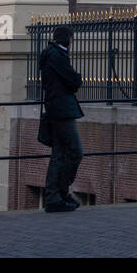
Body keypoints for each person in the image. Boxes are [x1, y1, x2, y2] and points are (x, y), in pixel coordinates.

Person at [38, 24, 84, 213]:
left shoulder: (50, 54)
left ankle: (54, 197)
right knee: (75, 152)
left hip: (54, 110)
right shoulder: (57, 56)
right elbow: (73, 81)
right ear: (69, 41)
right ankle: (61, 193)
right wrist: (76, 78)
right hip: (62, 111)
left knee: (58, 155)